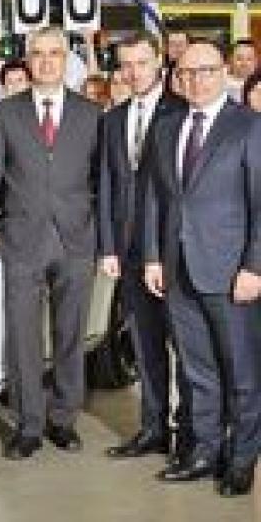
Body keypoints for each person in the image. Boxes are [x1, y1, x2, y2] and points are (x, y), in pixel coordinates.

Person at [0, 26, 102, 460]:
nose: (46, 61)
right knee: (23, 337)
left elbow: (103, 179)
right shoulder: (6, 112)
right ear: (28, 61)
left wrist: (103, 236)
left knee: (70, 334)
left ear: (66, 60)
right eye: (38, 54)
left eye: (54, 54)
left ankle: (62, 419)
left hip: (75, 240)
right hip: (22, 239)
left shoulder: (91, 113)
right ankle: (28, 426)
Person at [143, 39, 261, 496]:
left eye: (206, 70)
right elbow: (155, 198)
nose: (196, 80)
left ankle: (242, 459)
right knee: (197, 371)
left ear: (223, 72)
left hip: (232, 273)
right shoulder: (166, 127)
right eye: (187, 72)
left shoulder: (249, 126)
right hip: (178, 270)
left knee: (242, 373)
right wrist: (153, 256)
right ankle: (204, 452)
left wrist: (254, 267)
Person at [97, 33, 188, 461]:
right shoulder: (113, 119)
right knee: (146, 345)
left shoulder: (181, 113)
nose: (134, 72)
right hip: (130, 251)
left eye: (142, 63)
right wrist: (108, 247)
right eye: (126, 65)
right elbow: (107, 184)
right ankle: (154, 428)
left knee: (186, 347)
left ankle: (190, 432)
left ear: (159, 64)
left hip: (175, 251)